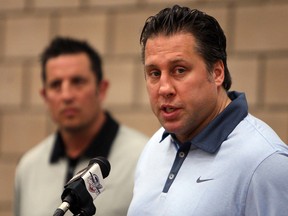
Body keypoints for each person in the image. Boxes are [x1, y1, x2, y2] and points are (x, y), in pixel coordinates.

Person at [127, 5, 288, 216]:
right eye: (154, 73)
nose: (164, 88)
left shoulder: (265, 162)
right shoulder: (155, 146)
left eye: (180, 70)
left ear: (217, 72)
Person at [14, 36, 149, 216]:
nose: (67, 95)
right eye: (56, 85)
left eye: (77, 82)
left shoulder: (144, 159)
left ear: (101, 89)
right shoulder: (28, 168)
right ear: (45, 96)